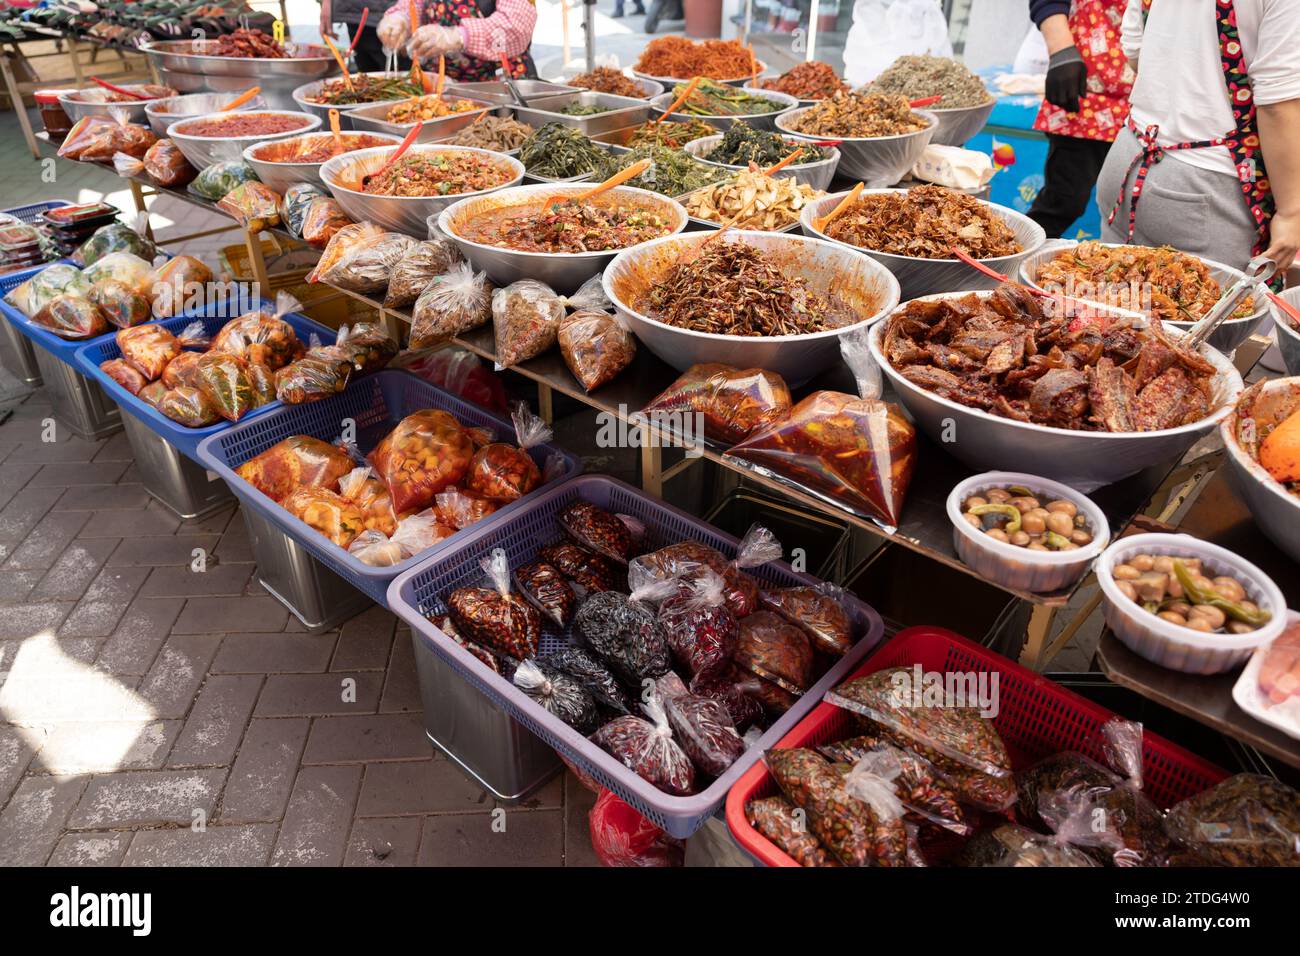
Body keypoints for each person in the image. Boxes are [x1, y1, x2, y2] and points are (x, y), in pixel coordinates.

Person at [1097, 0, 1300, 273]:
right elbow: (1277, 104)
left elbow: (1135, 51)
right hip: (1203, 190)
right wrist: (1292, 212)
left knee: (1113, 302)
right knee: (1218, 310)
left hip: (1128, 154)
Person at [1025, 0, 1133, 239]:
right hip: (1085, 100)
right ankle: (1009, 266)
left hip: (1148, 107)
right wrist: (1062, 52)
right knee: (1064, 202)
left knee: (1139, 213)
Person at [377, 0, 539, 79]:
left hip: (501, 85)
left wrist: (458, 36)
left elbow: (517, 24)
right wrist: (401, 18)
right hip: (446, 86)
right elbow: (415, 3)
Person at [321, 1, 399, 72]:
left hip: (393, 18)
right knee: (365, 75)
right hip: (352, 14)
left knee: (396, 73)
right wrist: (327, 3)